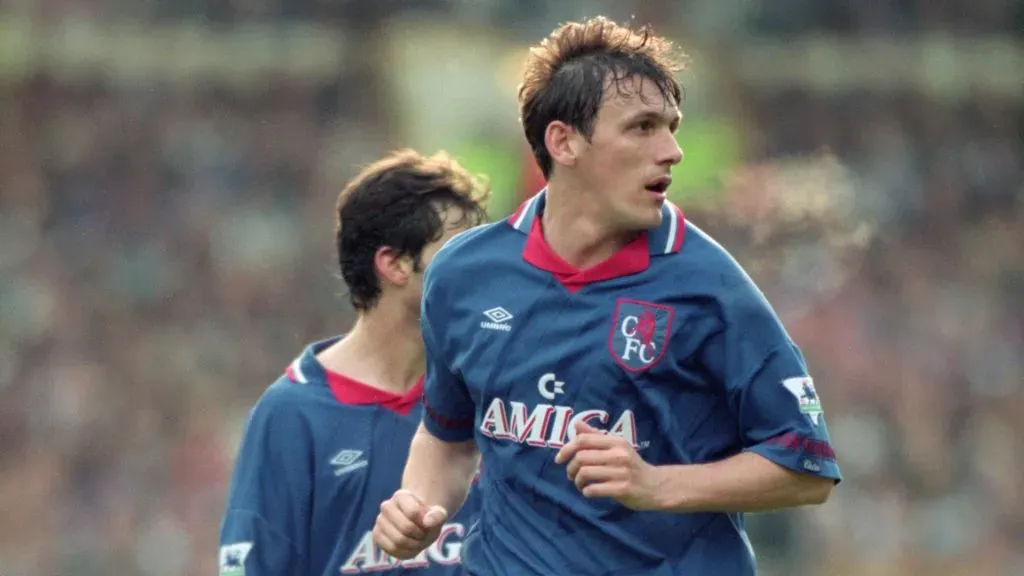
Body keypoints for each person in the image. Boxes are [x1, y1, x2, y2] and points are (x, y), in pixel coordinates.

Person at [372, 17, 841, 576]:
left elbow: (806, 468)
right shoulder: (464, 274)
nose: (673, 150)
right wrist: (418, 507)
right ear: (563, 141)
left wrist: (657, 484)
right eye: (642, 128)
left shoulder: (710, 285)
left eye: (672, 126)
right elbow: (447, 437)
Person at [218, 149, 489, 575]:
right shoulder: (292, 414)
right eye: (458, 247)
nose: (482, 265)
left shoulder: (489, 390)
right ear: (394, 265)